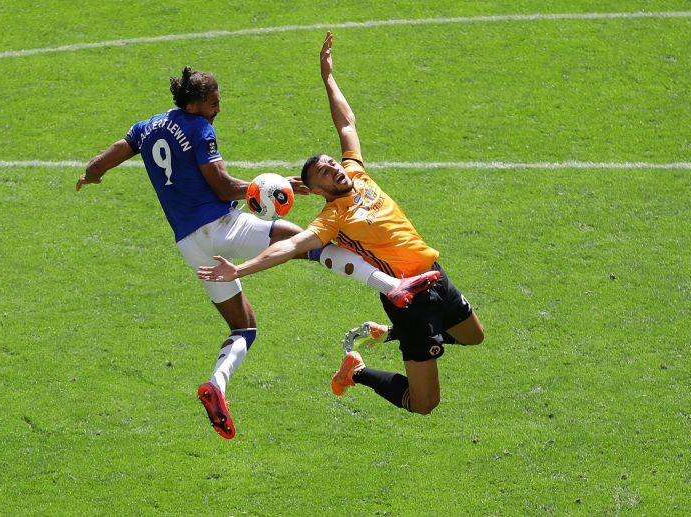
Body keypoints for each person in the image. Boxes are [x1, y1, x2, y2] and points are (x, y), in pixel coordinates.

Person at [76, 66, 437, 439]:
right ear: (196, 104)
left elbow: (105, 160)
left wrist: (91, 174)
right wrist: (269, 188)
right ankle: (391, 285)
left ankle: (217, 383)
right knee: (308, 243)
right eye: (214, 102)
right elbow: (221, 187)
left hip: (189, 244)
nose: (219, 108)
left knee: (243, 326)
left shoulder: (146, 126)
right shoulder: (199, 128)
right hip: (222, 227)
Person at [198, 32, 485, 416]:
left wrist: (328, 78)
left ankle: (387, 335)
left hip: (434, 275)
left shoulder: (356, 173)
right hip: (407, 299)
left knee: (473, 337)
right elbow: (290, 247)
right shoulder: (333, 219)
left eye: (331, 162)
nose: (334, 167)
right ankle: (358, 372)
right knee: (424, 403)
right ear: (317, 191)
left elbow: (347, 125)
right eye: (324, 173)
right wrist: (241, 269)